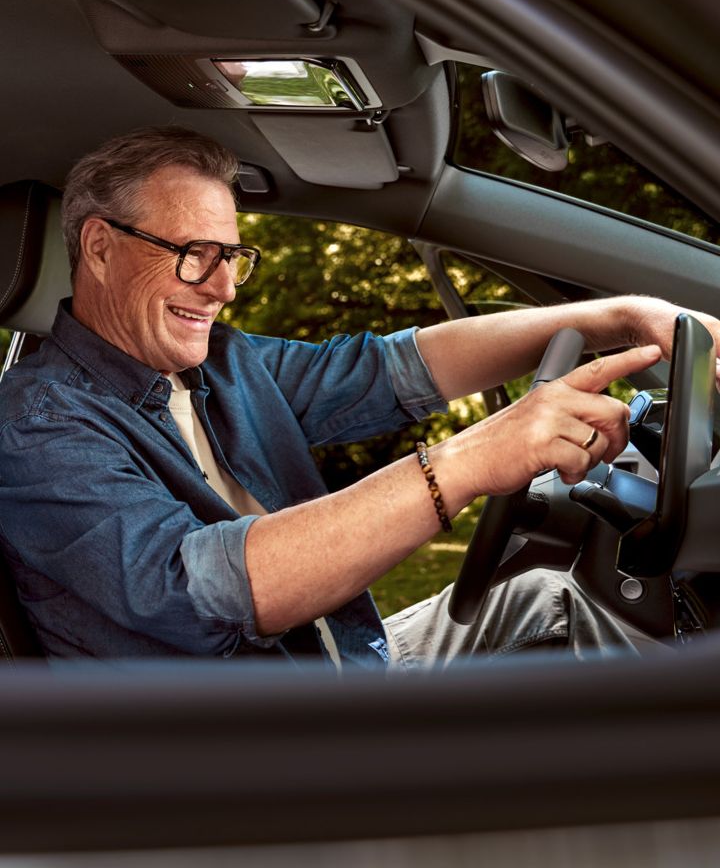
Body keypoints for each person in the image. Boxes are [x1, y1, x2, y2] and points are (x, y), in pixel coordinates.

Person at [0, 127, 717, 666]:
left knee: (548, 600)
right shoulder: (36, 425)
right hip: (229, 766)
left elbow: (393, 369)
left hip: (336, 667)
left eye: (232, 258)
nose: (220, 288)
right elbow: (203, 589)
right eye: (194, 255)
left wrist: (617, 317)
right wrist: (473, 458)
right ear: (98, 247)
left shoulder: (221, 365)